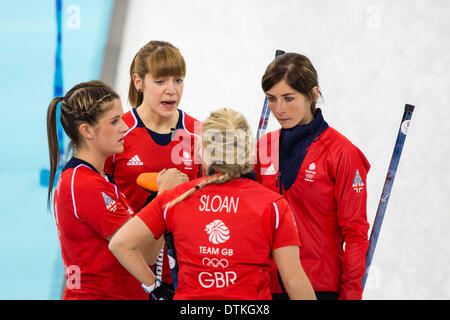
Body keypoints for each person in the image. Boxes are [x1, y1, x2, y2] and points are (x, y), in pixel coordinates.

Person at [109, 108, 316, 300]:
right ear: (246, 151)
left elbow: (120, 244)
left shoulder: (177, 197)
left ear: (205, 151)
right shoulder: (273, 206)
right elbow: (294, 281)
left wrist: (156, 289)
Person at [46, 80, 186, 299]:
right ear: (87, 131)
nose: (124, 127)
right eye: (114, 121)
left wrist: (156, 202)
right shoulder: (85, 184)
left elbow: (147, 253)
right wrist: (164, 198)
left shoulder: (96, 179)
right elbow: (135, 249)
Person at [255, 53, 370, 300]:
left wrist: (350, 295)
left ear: (313, 95)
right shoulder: (262, 148)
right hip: (265, 288)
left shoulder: (342, 153)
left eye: (288, 98)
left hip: (318, 287)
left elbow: (356, 235)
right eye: (271, 99)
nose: (279, 109)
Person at [104, 41, 201, 287]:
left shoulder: (198, 134)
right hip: (127, 271)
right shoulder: (118, 133)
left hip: (183, 275)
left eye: (178, 80)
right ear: (138, 82)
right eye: (160, 82)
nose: (172, 90)